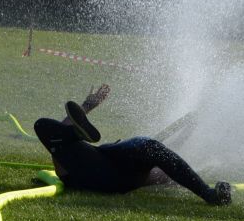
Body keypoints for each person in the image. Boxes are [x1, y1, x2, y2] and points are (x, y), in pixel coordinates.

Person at [34, 85, 232, 205]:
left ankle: (75, 132)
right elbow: (170, 162)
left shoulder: (157, 166)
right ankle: (209, 194)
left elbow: (171, 163)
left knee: (43, 127)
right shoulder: (158, 164)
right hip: (102, 170)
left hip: (97, 172)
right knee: (46, 128)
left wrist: (87, 106)